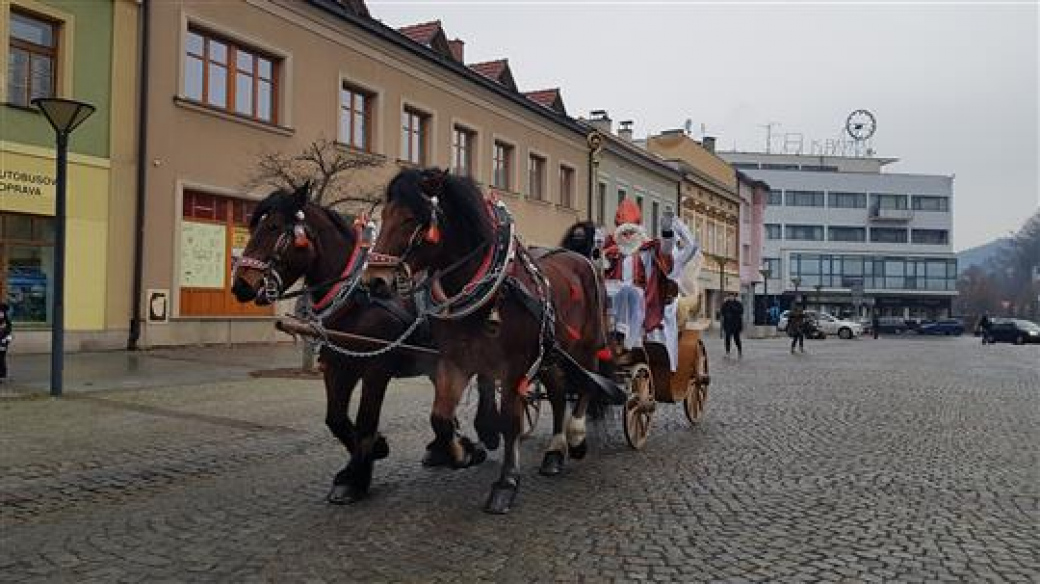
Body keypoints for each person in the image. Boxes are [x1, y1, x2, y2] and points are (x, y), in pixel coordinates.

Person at [602, 198, 675, 351]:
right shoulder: (611, 250)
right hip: (614, 294)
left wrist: (667, 232)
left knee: (630, 294)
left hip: (641, 293)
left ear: (638, 231)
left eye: (631, 232)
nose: (628, 236)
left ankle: (629, 342)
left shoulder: (647, 249)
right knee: (620, 292)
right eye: (625, 233)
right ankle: (614, 334)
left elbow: (666, 252)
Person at [720, 293, 744, 358]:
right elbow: (722, 312)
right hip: (728, 324)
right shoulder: (725, 304)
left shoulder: (738, 304)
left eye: (732, 296)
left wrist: (733, 308)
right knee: (727, 338)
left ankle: (740, 351)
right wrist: (726, 315)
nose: (731, 297)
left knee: (737, 339)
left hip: (736, 325)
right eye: (730, 296)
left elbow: (741, 311)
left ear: (734, 297)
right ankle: (727, 352)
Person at [0, 303, 12, 382]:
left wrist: (6, 340)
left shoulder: (6, 320)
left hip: (2, 342)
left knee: (1, 357)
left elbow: (9, 331)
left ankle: (2, 374)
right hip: (3, 341)